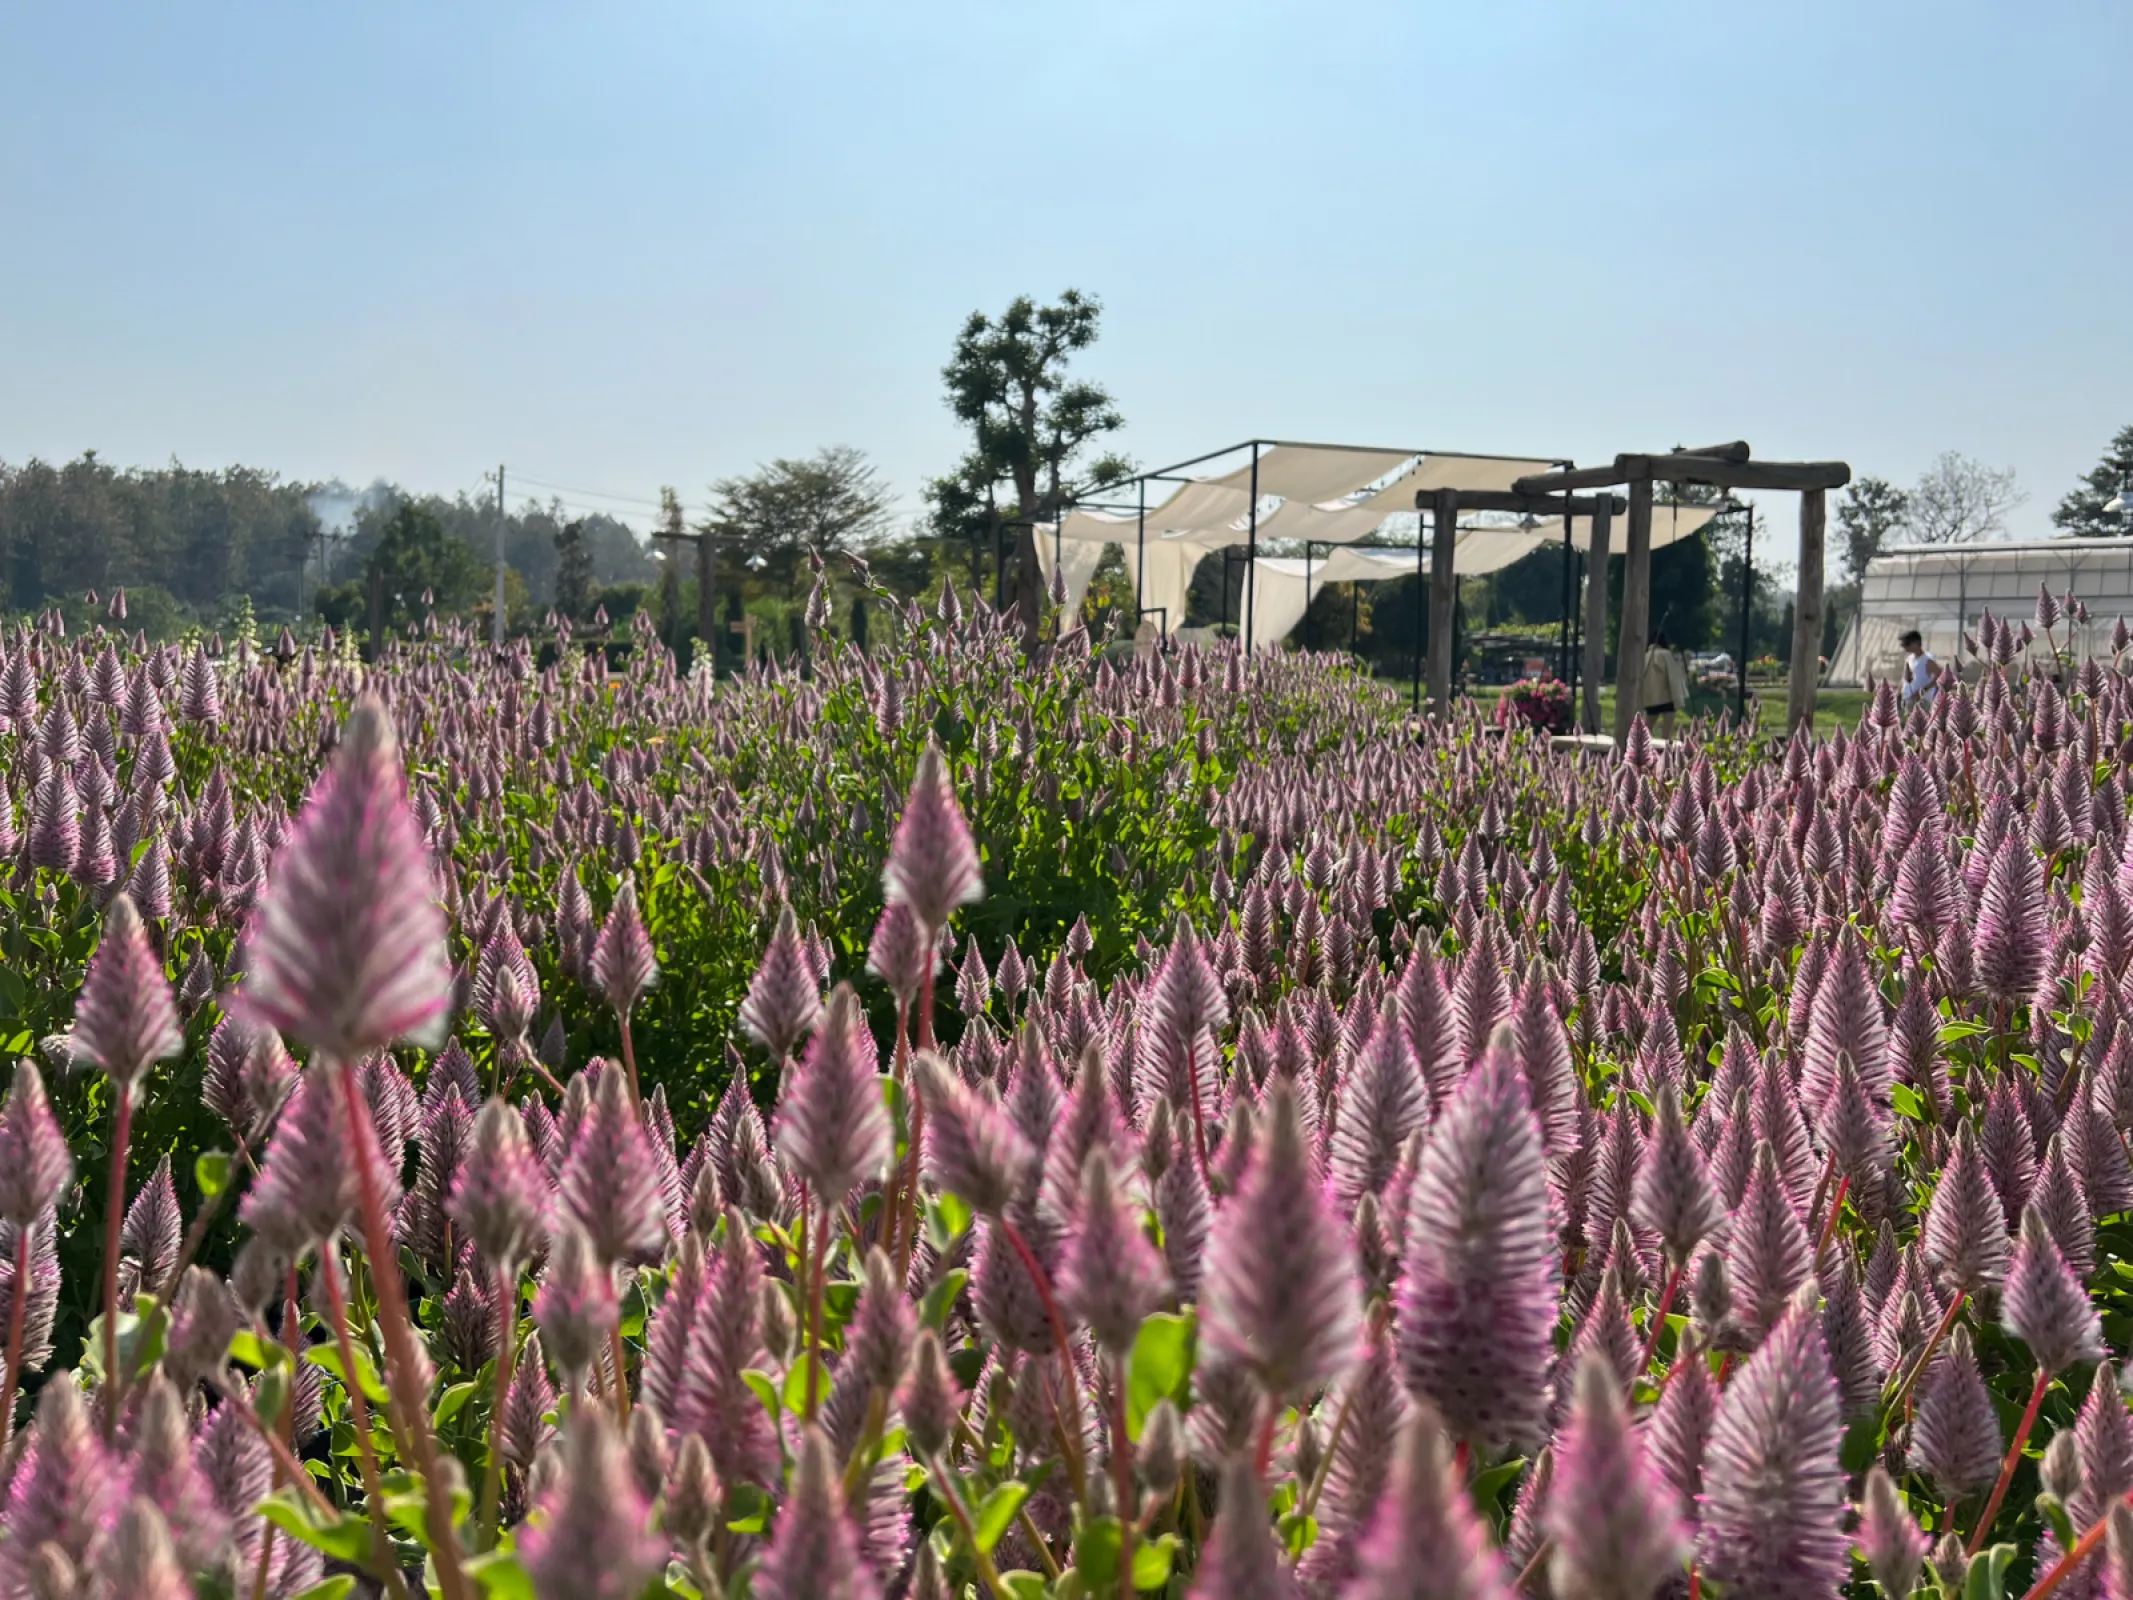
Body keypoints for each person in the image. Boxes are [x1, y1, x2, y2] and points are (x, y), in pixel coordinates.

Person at [1640, 629, 1690, 736]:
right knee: (1667, 733)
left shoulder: (1644, 657)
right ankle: (1666, 751)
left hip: (1650, 699)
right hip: (1667, 699)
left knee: (1647, 731)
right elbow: (1673, 677)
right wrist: (1678, 698)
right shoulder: (1666, 655)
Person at [1899, 629, 1940, 708]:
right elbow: (1904, 679)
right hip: (1908, 699)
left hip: (1921, 701)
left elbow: (1940, 676)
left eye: (1907, 643)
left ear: (1917, 642)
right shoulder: (1909, 659)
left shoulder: (1927, 659)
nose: (1904, 646)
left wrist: (1923, 690)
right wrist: (1899, 692)